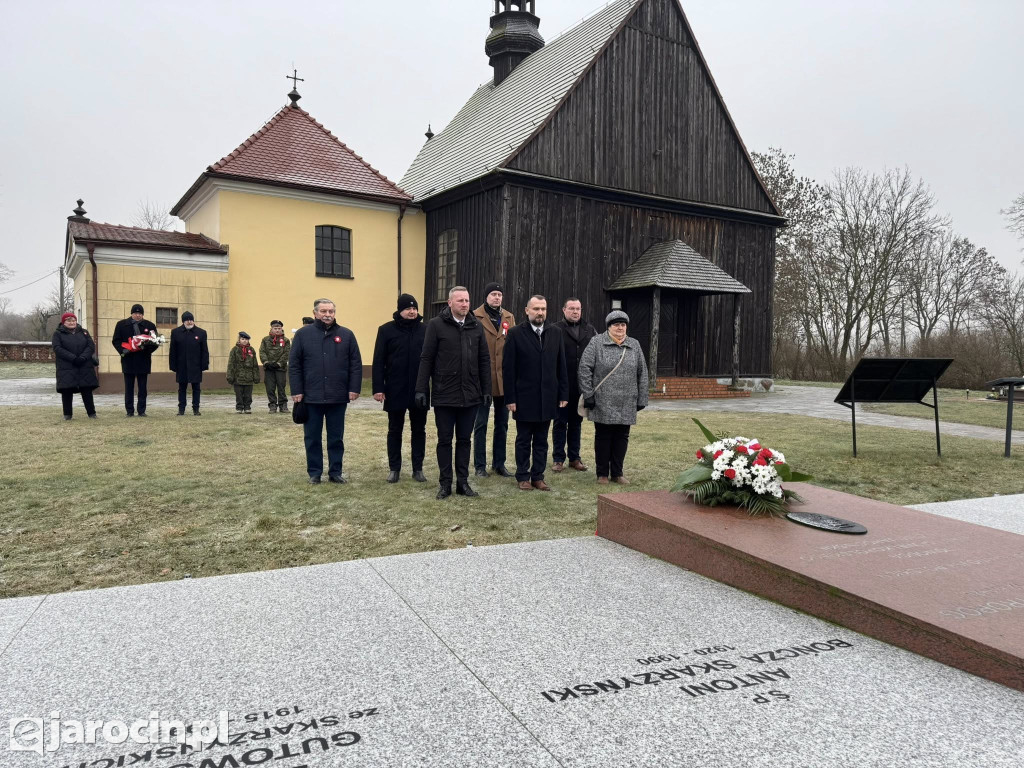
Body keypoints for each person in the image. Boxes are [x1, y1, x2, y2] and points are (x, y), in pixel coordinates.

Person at [415, 286, 490, 499]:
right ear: (450, 303)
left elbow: (484, 359)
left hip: (470, 395)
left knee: (465, 440)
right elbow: (427, 357)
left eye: (467, 300)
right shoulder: (436, 326)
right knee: (445, 440)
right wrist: (421, 388)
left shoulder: (476, 326)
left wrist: (486, 389)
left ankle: (462, 483)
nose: (465, 304)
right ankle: (445, 483)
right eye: (460, 301)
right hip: (444, 393)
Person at [289, 299, 362, 484]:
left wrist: (354, 388)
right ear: (315, 313)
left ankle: (335, 472)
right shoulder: (303, 335)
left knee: (336, 438)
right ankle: (314, 472)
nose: (327, 314)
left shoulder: (347, 335)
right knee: (312, 437)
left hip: (337, 396)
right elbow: (295, 365)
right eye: (323, 311)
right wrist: (297, 390)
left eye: (331, 311)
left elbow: (355, 364)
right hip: (311, 396)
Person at [503, 295, 568, 491]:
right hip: (524, 398)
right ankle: (523, 476)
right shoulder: (515, 334)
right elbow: (508, 369)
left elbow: (561, 366)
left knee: (541, 440)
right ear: (527, 310)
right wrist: (510, 398)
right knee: (523, 440)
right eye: (536, 309)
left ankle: (538, 476)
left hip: (547, 397)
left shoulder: (555, 333)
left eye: (543, 309)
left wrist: (563, 394)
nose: (540, 313)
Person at [578, 310, 649, 485]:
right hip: (603, 400)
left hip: (627, 401)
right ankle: (602, 473)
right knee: (603, 436)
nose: (620, 328)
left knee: (622, 437)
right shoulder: (597, 342)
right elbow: (584, 368)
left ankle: (617, 473)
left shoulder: (634, 345)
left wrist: (642, 398)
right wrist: (588, 394)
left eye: (623, 325)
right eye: (616, 324)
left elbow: (643, 373)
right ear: (609, 327)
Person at [372, 293, 428, 483]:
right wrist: (378, 388)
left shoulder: (426, 330)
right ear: (399, 310)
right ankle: (394, 469)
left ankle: (418, 469)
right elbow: (379, 361)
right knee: (394, 430)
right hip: (394, 388)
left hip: (419, 389)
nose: (412, 312)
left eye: (414, 308)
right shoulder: (386, 330)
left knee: (419, 430)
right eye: (407, 308)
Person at [471, 282, 515, 478]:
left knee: (502, 424)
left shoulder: (508, 317)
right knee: (480, 424)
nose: (497, 297)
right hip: (483, 379)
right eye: (493, 294)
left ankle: (499, 463)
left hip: (503, 379)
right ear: (486, 296)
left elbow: (512, 346)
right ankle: (480, 465)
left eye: (499, 294)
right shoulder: (475, 316)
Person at [552, 297, 597, 472]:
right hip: (561, 384)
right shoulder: (555, 329)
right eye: (571, 308)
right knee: (560, 422)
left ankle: (574, 457)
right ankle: (558, 458)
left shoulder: (590, 330)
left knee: (576, 423)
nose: (575, 311)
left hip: (582, 386)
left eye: (578, 308)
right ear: (564, 310)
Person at [111, 303, 158, 417]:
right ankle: (129, 411)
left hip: (143, 360)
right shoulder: (121, 325)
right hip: (128, 360)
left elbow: (155, 341)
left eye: (140, 313)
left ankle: (141, 410)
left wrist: (145, 349)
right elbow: (116, 340)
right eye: (136, 313)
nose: (138, 315)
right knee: (129, 388)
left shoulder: (149, 325)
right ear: (131, 313)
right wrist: (123, 351)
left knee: (142, 388)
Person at [52, 311, 98, 420]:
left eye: (73, 320)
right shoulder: (58, 334)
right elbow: (57, 348)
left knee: (86, 389)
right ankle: (67, 415)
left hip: (84, 365)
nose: (72, 322)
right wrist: (73, 358)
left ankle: (92, 413)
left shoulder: (84, 332)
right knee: (67, 390)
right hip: (66, 366)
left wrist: (83, 357)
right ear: (63, 322)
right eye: (68, 320)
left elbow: (90, 346)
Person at [168, 311, 209, 416]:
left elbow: (204, 350)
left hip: (196, 366)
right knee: (182, 388)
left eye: (191, 320)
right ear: (183, 321)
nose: (189, 322)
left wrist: (204, 364)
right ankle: (181, 409)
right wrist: (173, 365)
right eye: (187, 320)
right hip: (181, 366)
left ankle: (196, 409)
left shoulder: (201, 333)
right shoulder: (176, 332)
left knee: (196, 388)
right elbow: (172, 351)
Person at [259, 320, 291, 413]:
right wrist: (266, 362)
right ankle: (272, 405)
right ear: (271, 329)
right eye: (275, 328)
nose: (277, 330)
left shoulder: (285, 340)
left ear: (282, 329)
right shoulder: (265, 340)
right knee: (270, 387)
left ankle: (283, 406)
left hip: (280, 368)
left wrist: (279, 363)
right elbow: (262, 351)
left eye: (279, 328)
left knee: (281, 387)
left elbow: (287, 353)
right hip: (269, 368)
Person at [226, 332, 260, 413]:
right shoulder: (235, 350)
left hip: (249, 377)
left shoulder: (251, 350)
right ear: (239, 340)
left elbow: (255, 364)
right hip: (238, 377)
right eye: (242, 339)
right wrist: (230, 376)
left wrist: (256, 376)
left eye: (246, 339)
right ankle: (239, 407)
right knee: (239, 394)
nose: (244, 341)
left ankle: (247, 407)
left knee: (248, 394)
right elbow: (231, 364)